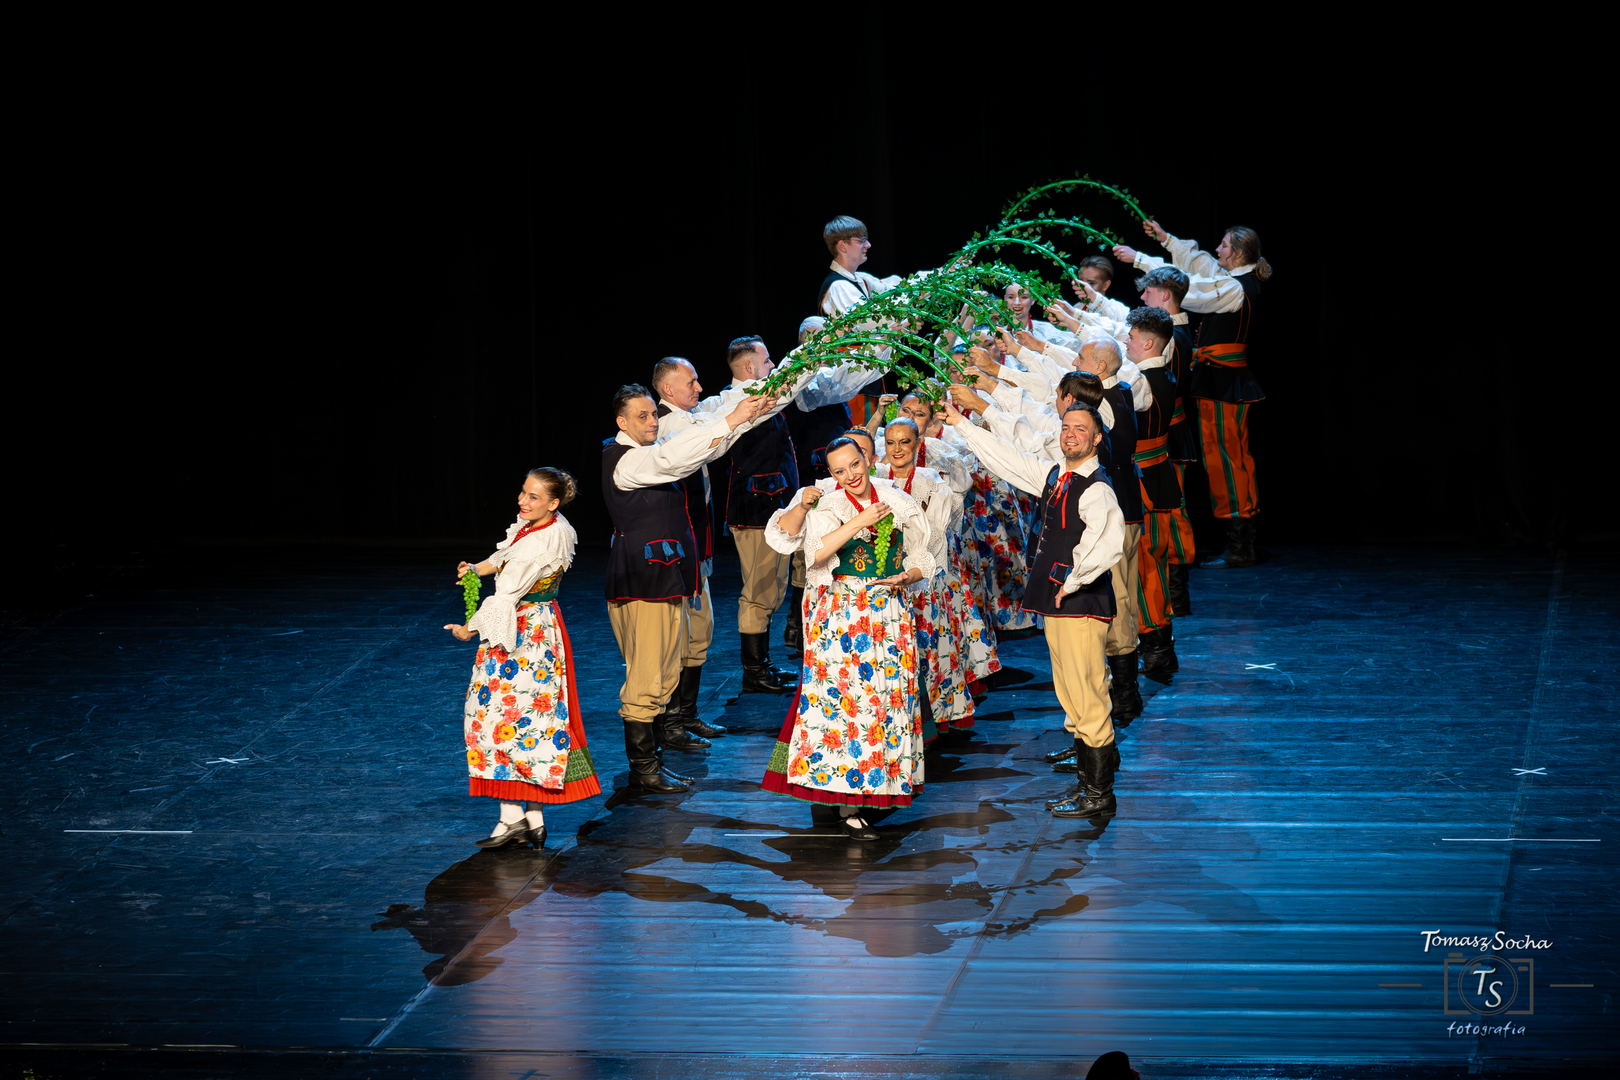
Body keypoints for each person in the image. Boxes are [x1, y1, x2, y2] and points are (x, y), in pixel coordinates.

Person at [941, 400, 1125, 818]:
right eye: (1066, 427)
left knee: (1087, 693)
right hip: (1060, 603)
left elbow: (1107, 542)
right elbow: (1008, 459)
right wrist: (962, 426)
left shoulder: (1095, 487)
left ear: (1097, 438)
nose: (1070, 435)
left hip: (1079, 602)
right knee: (1071, 692)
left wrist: (1072, 582)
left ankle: (1099, 792)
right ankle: (1088, 779)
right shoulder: (1056, 475)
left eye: (1080, 429)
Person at [760, 437, 935, 840]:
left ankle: (877, 786)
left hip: (888, 612)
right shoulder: (829, 505)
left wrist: (908, 575)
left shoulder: (898, 501)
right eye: (840, 471)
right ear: (832, 475)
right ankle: (845, 802)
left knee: (884, 702)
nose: (850, 475)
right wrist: (859, 521)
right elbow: (816, 554)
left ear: (868, 460)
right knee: (845, 704)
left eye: (855, 465)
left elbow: (924, 554)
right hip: (843, 616)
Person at [602, 383, 773, 795]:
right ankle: (644, 770)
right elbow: (670, 458)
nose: (652, 421)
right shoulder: (627, 460)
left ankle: (655, 759)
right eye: (642, 416)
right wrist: (731, 419)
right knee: (648, 677)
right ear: (622, 422)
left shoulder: (651, 450)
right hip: (644, 583)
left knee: (664, 672)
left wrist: (742, 419)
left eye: (653, 414)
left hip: (664, 579)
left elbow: (697, 451)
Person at [444, 468, 601, 848]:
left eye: (533, 497)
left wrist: (469, 630)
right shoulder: (551, 526)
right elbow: (506, 556)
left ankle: (513, 819)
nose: (523, 501)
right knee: (534, 720)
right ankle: (531, 817)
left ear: (553, 502)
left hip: (521, 633)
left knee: (499, 717)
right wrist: (477, 569)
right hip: (540, 626)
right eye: (523, 492)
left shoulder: (540, 542)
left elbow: (505, 597)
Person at [722, 335, 873, 694]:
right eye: (766, 361)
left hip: (772, 504)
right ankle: (754, 670)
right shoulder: (739, 400)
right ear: (749, 367)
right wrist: (813, 353)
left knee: (771, 589)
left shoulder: (761, 396)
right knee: (759, 590)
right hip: (756, 508)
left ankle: (761, 665)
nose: (772, 366)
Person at [1117, 221, 1272, 567]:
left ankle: (1241, 541)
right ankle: (1238, 536)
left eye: (1224, 246)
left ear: (1239, 253)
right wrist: (1166, 240)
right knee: (1223, 455)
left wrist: (1143, 259)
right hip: (1217, 379)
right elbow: (1199, 268)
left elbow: (1190, 287)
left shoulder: (1234, 287)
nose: (1218, 250)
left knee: (1226, 457)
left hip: (1225, 382)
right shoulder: (1231, 280)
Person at [649, 357, 730, 749]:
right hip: (680, 551)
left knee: (699, 630)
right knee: (681, 635)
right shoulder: (670, 425)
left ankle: (685, 714)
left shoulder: (688, 420)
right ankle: (671, 722)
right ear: (668, 389)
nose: (699, 388)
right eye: (691, 382)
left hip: (696, 546)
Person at [879, 416, 978, 736]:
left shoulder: (934, 482)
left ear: (918, 444)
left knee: (928, 647)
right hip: (885, 578)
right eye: (890, 442)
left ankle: (933, 719)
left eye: (904, 442)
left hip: (922, 578)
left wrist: (913, 569)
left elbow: (935, 536)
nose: (897, 449)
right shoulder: (876, 479)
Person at [1122, 306, 1183, 680]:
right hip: (1157, 475)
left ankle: (1157, 647)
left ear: (1147, 343)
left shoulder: (1141, 382)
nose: (1126, 342)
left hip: (1145, 482)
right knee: (1151, 566)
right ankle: (1158, 645)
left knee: (1145, 568)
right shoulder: (1163, 372)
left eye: (1130, 338)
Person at [818, 215, 902, 425]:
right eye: (861, 240)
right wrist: (907, 319)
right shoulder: (838, 287)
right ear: (842, 246)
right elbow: (876, 320)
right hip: (852, 384)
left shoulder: (860, 280)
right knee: (860, 437)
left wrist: (942, 274)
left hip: (867, 378)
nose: (868, 245)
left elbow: (899, 288)